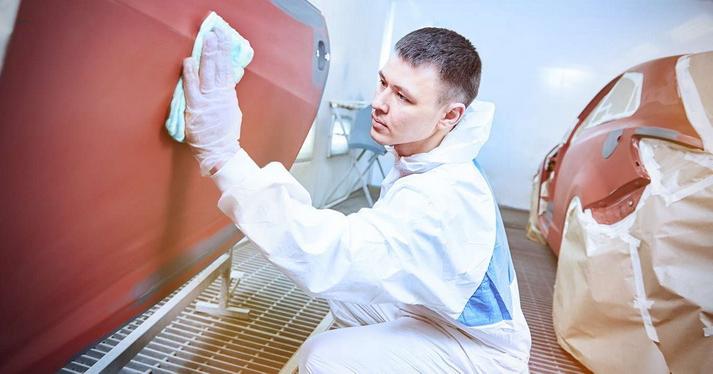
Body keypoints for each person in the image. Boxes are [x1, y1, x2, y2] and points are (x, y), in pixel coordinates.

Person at [182, 26, 531, 373]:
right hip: (441, 312)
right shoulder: (437, 155)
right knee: (347, 298)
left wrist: (223, 155)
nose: (378, 104)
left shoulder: (442, 197)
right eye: (383, 83)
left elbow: (331, 254)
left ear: (450, 115)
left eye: (403, 98)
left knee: (323, 357)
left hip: (480, 353)